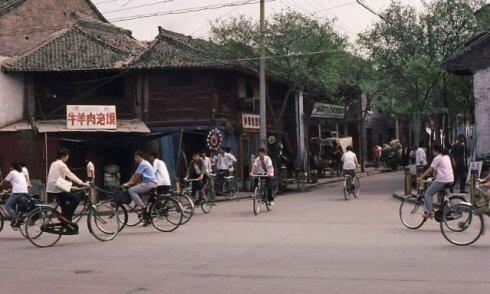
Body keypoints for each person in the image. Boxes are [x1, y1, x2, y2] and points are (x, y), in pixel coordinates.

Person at [47, 149, 90, 223]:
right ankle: (63, 216)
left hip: (52, 187)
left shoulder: (53, 163)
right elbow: (70, 174)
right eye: (67, 155)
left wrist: (70, 186)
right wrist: (82, 183)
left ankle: (66, 222)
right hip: (58, 187)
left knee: (64, 206)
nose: (68, 157)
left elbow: (56, 177)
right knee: (75, 200)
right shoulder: (61, 164)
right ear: (63, 156)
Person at [417, 144, 454, 219]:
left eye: (433, 150)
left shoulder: (437, 158)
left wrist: (421, 177)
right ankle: (448, 209)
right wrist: (435, 177)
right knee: (444, 196)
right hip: (450, 179)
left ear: (435, 150)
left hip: (443, 180)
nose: (432, 152)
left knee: (428, 193)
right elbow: (443, 169)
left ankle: (429, 213)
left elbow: (430, 169)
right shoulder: (446, 156)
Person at [0, 162, 29, 228]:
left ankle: (16, 220)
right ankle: (16, 217)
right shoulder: (21, 173)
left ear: (12, 167)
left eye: (10, 167)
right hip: (24, 191)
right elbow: (19, 183)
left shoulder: (12, 172)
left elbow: (4, 182)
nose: (9, 168)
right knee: (11, 203)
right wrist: (10, 189)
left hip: (18, 192)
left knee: (7, 205)